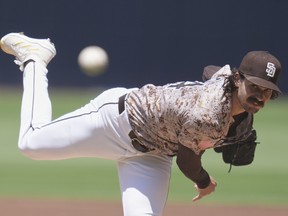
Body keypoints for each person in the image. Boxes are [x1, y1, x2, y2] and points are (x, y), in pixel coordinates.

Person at [0, 32, 282, 216]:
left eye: (268, 90)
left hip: (154, 152)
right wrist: (204, 182)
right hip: (116, 123)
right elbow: (188, 162)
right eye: (255, 86)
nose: (261, 95)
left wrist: (236, 123)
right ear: (237, 79)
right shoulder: (207, 116)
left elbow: (210, 72)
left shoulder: (224, 80)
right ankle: (35, 58)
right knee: (30, 142)